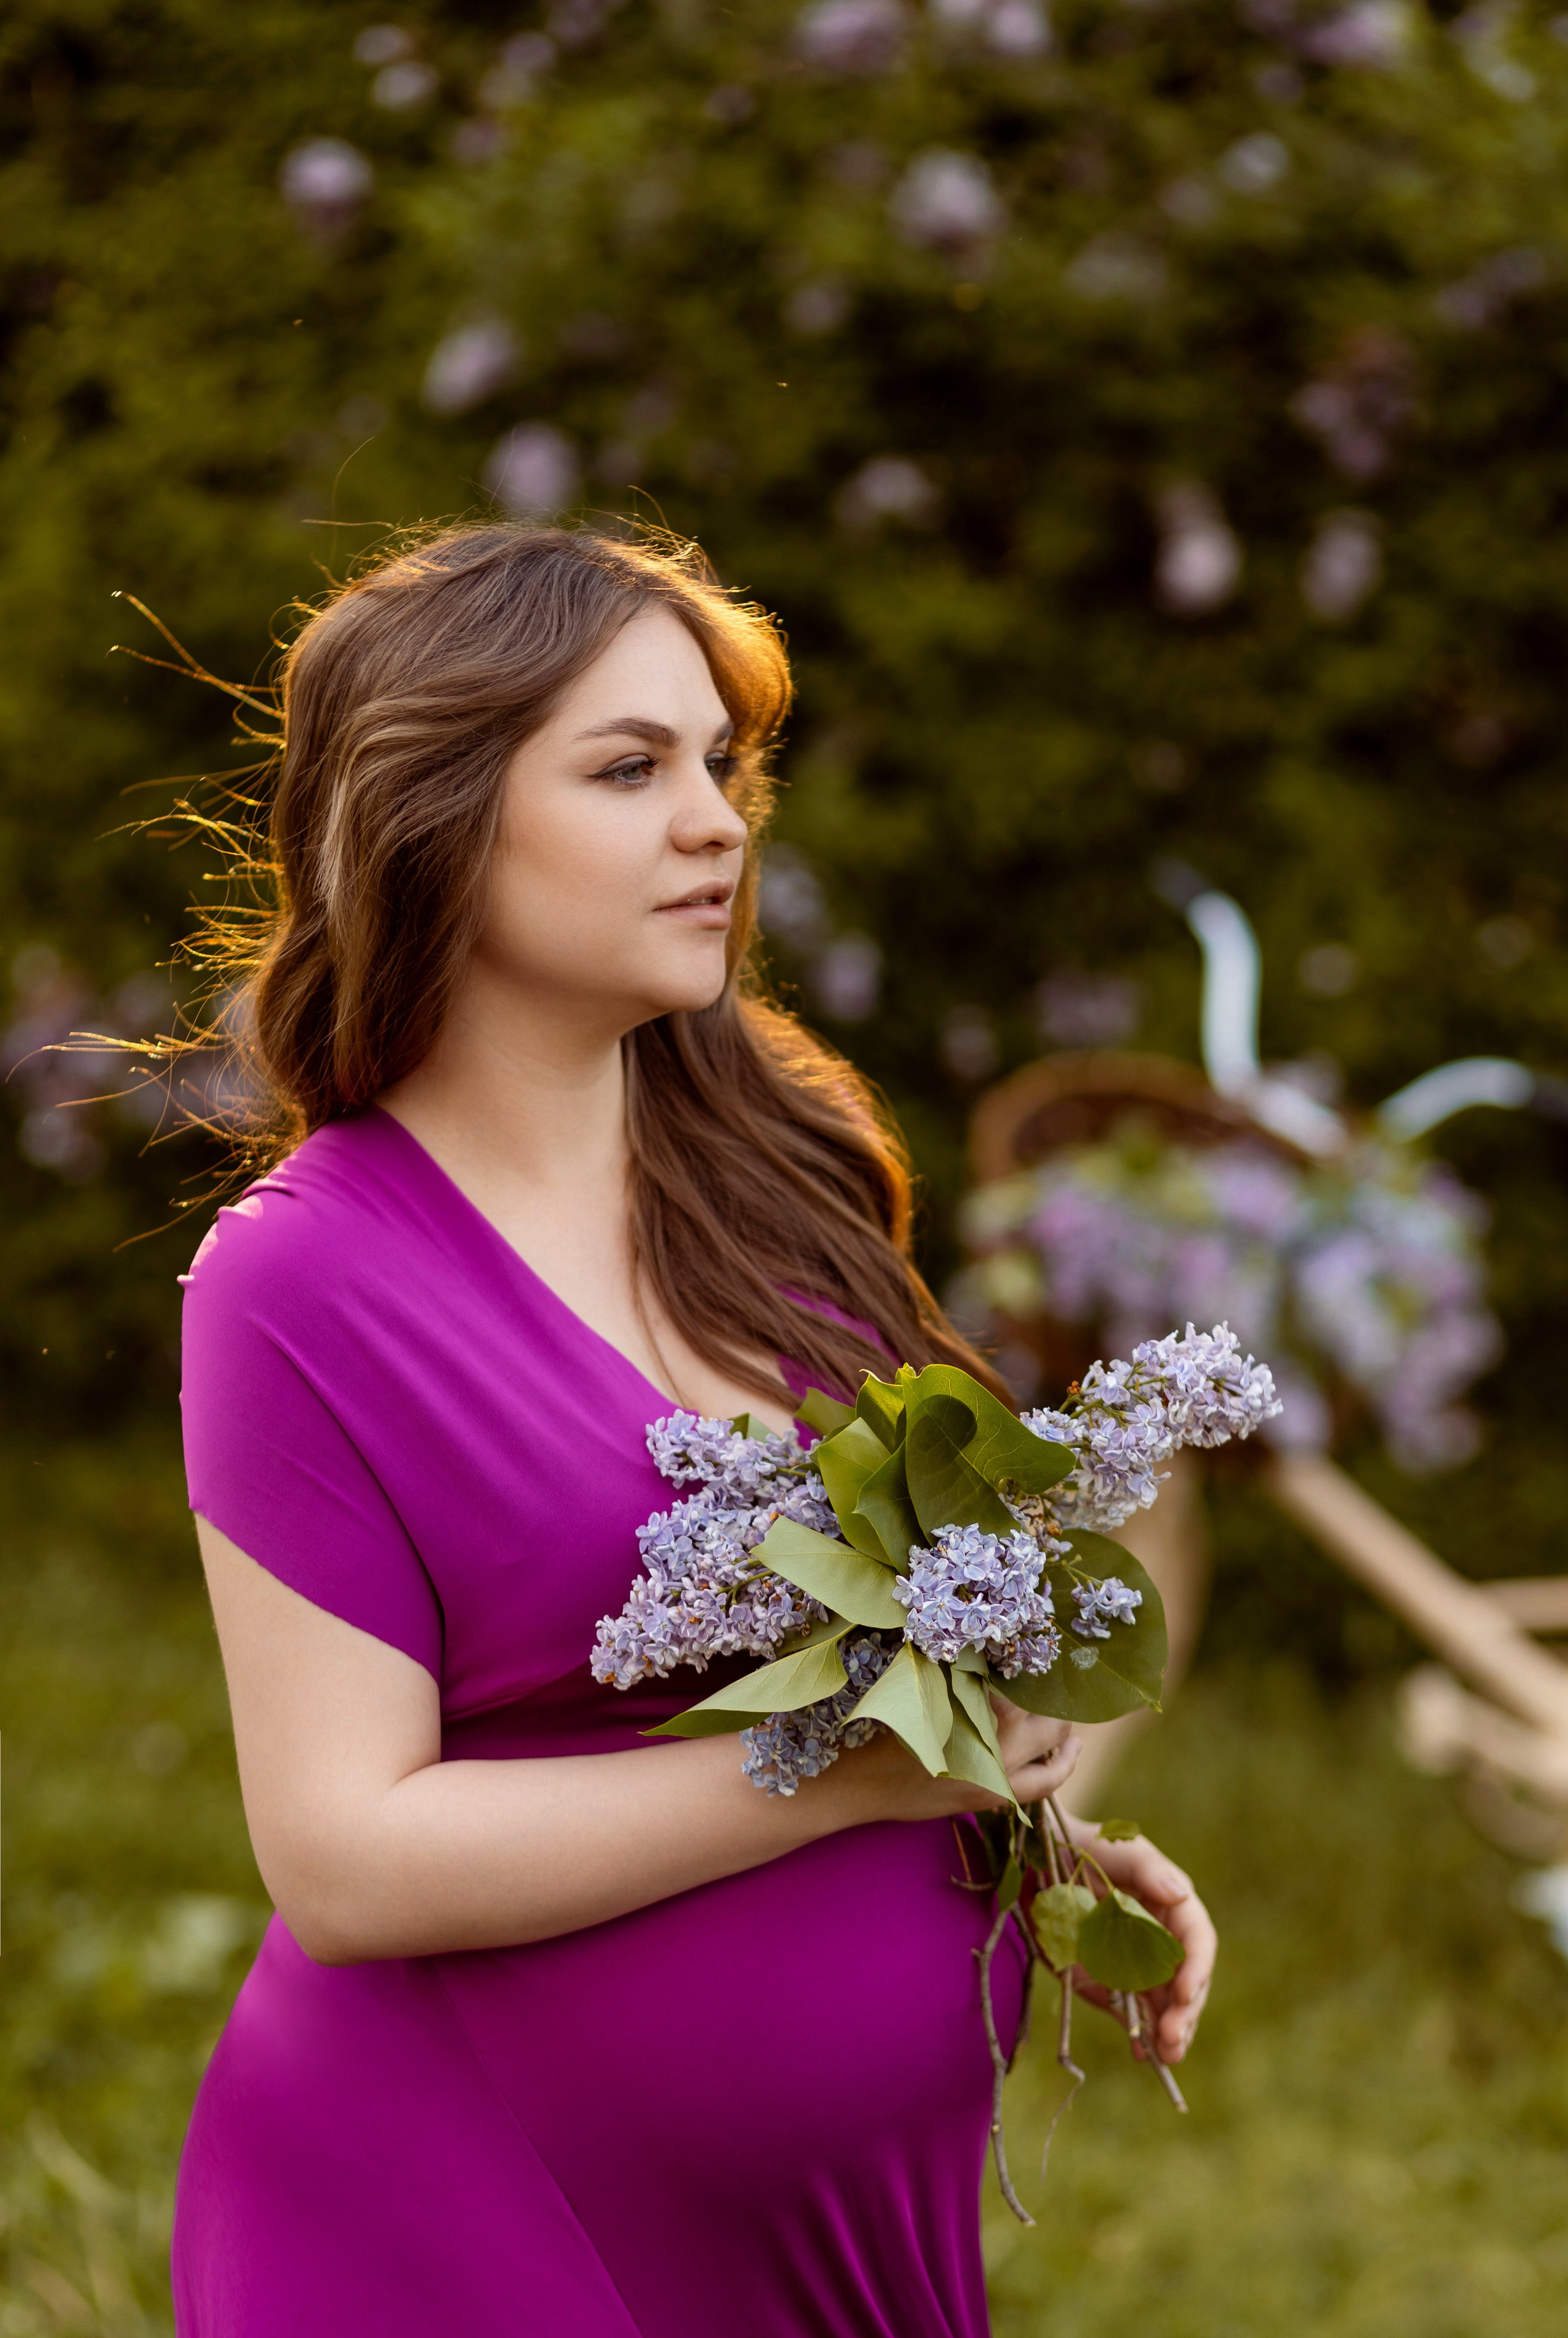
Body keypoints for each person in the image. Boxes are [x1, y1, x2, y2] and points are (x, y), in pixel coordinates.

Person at [174, 522, 1215, 2337]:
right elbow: (345, 1859)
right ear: (437, 815)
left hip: (850, 2240)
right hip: (460, 2223)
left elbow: (884, 1641)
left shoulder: (785, 1176)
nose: (720, 822)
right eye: (631, 768)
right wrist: (855, 1771)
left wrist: (1030, 1849)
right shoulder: (299, 1281)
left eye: (721, 766)